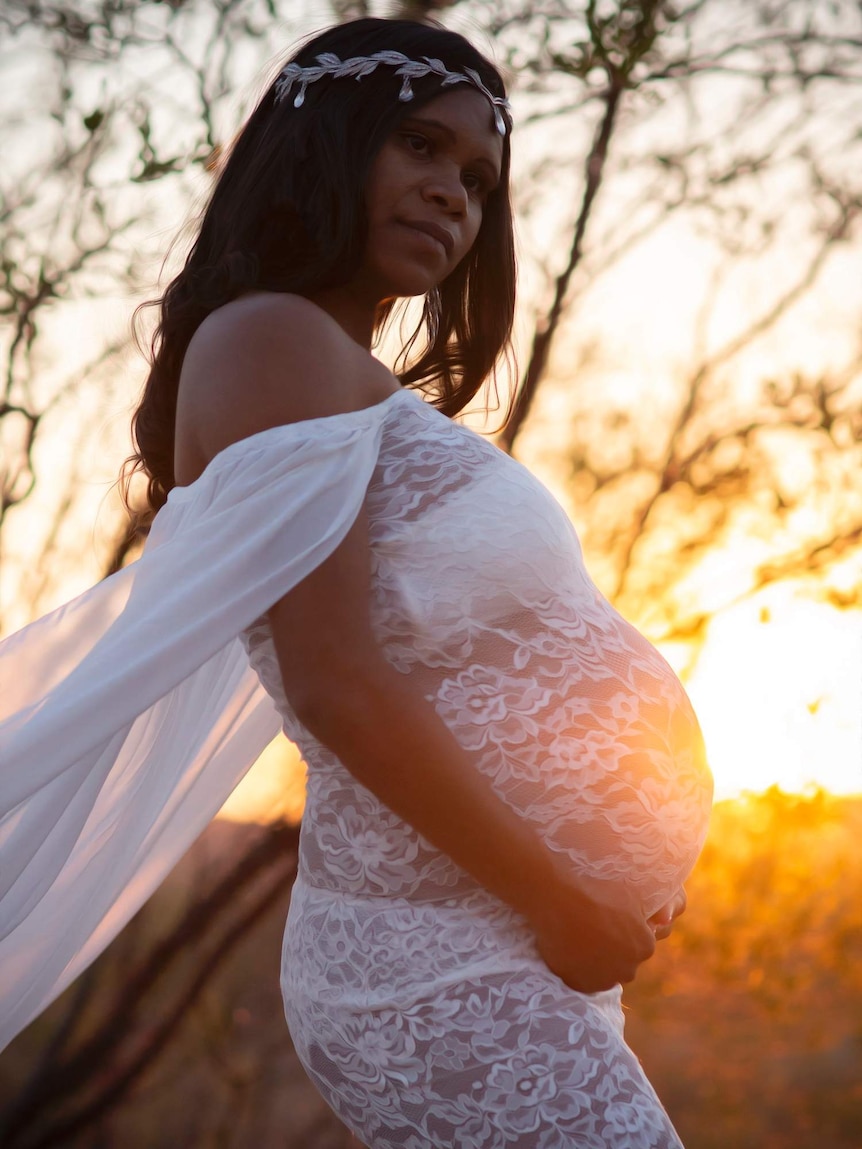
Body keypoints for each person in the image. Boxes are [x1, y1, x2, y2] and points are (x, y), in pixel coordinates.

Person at [0, 17, 713, 1148]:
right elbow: (337, 685)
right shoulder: (271, 340)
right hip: (436, 965)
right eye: (420, 149)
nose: (453, 196)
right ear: (321, 145)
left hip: (502, 943)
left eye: (477, 179)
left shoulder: (329, 371)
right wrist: (563, 893)